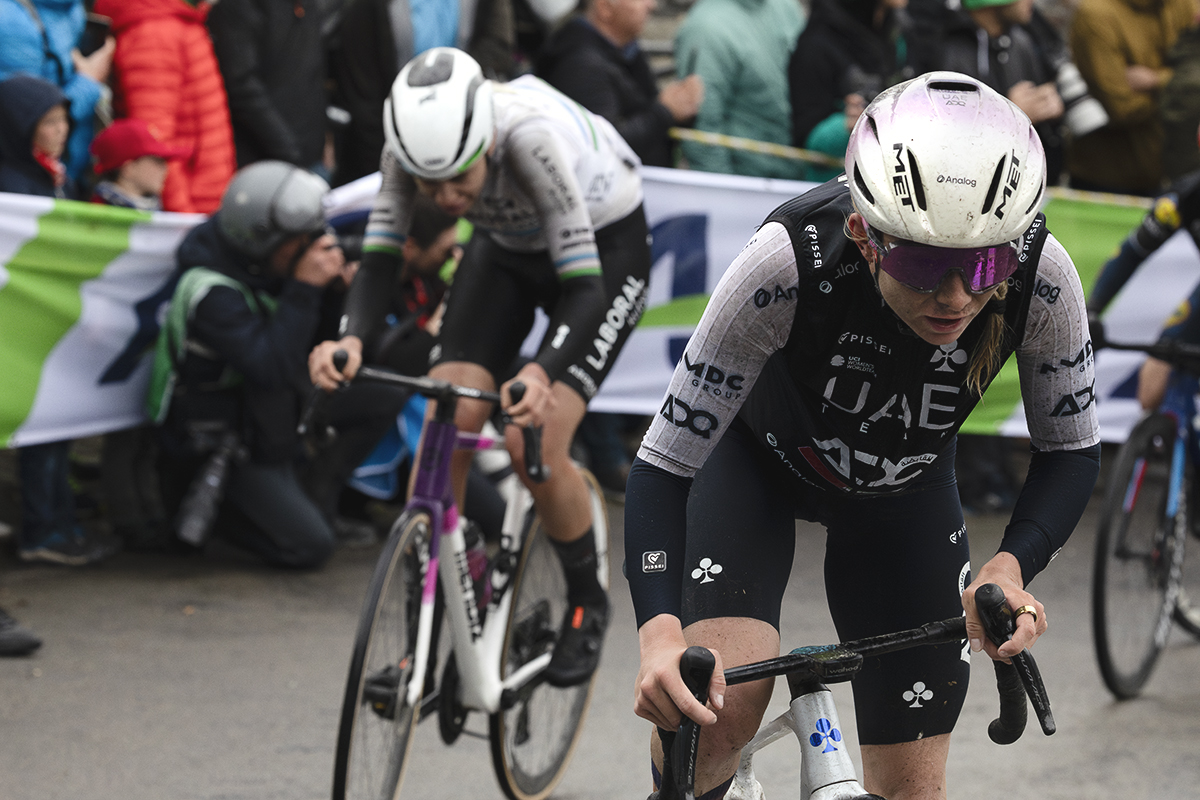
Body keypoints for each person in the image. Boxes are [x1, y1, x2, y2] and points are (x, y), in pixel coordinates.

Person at [625, 72, 1100, 800]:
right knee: (718, 713)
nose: (956, 297)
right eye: (919, 262)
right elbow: (663, 462)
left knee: (912, 787)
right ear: (863, 233)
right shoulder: (788, 260)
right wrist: (658, 632)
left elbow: (1069, 450)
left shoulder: (1042, 275)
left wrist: (1010, 567)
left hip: (902, 489)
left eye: (983, 264)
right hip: (754, 464)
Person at [310, 48, 653, 686]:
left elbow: (580, 287)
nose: (446, 197)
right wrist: (351, 339)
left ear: (485, 139)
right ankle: (426, 626)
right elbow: (381, 260)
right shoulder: (402, 153)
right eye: (427, 182)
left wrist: (543, 372)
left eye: (459, 177)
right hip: (504, 249)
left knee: (533, 439)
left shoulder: (529, 141)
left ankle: (587, 599)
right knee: (449, 412)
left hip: (603, 251)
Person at [147, 160, 346, 568]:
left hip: (266, 422)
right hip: (221, 440)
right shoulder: (210, 291)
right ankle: (223, 516)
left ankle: (315, 494)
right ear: (262, 240)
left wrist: (335, 292)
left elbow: (314, 345)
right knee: (312, 547)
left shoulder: (262, 266)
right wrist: (305, 290)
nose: (313, 245)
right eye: (301, 239)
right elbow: (271, 367)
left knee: (379, 399)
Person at [0, 73, 120, 566]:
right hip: (23, 327)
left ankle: (58, 518)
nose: (61, 130)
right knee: (40, 430)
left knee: (54, 429)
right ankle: (43, 528)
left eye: (63, 120)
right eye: (48, 122)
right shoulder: (15, 185)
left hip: (47, 322)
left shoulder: (50, 174)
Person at [89, 118, 188, 550]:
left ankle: (145, 515)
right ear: (127, 168)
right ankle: (130, 519)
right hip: (114, 342)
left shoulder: (150, 219)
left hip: (143, 339)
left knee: (141, 434)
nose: (166, 168)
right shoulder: (102, 219)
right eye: (156, 160)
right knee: (123, 436)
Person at [327, 0, 515, 185]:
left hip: (464, 134)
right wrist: (385, 173)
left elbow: (498, 44)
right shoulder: (365, 8)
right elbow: (363, 97)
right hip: (393, 142)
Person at [93, 0, 237, 213]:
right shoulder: (154, 32)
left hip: (204, 198)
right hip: (189, 206)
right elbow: (154, 140)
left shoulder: (173, 19)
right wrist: (183, 218)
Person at [536, 0, 705, 169]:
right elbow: (603, 147)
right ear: (605, 7)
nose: (651, 5)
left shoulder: (627, 50)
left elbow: (645, 108)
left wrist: (682, 108)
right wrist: (666, 112)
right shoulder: (580, 63)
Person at [1088, 165, 1200, 409]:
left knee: (1159, 367)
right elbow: (1131, 253)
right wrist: (1092, 309)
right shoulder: (1188, 195)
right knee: (1153, 385)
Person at [787, 0, 928, 183]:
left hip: (895, 183)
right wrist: (849, 126)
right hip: (837, 193)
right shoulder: (817, 43)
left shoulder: (900, 32)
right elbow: (805, 140)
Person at [1066, 0, 1195, 195]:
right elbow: (1121, 108)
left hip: (1168, 172)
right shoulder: (1097, 15)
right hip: (1107, 180)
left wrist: (1156, 81)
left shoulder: (1182, 5)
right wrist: (1185, 94)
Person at [936, 0, 1069, 186]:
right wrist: (1007, 116)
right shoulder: (951, 48)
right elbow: (945, 143)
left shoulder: (1021, 42)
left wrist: (1052, 109)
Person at [672, 0, 806, 179]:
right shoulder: (706, 28)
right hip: (752, 186)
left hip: (804, 182)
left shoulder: (787, 6)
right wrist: (728, 198)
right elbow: (703, 132)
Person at [206, 0, 332, 173]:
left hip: (311, 151)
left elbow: (314, 69)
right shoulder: (237, 8)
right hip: (265, 161)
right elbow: (242, 86)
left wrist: (323, 138)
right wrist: (288, 148)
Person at [0, 0, 115, 183]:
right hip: (30, 175)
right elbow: (25, 116)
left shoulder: (71, 8)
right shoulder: (9, 19)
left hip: (69, 166)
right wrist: (89, 82)